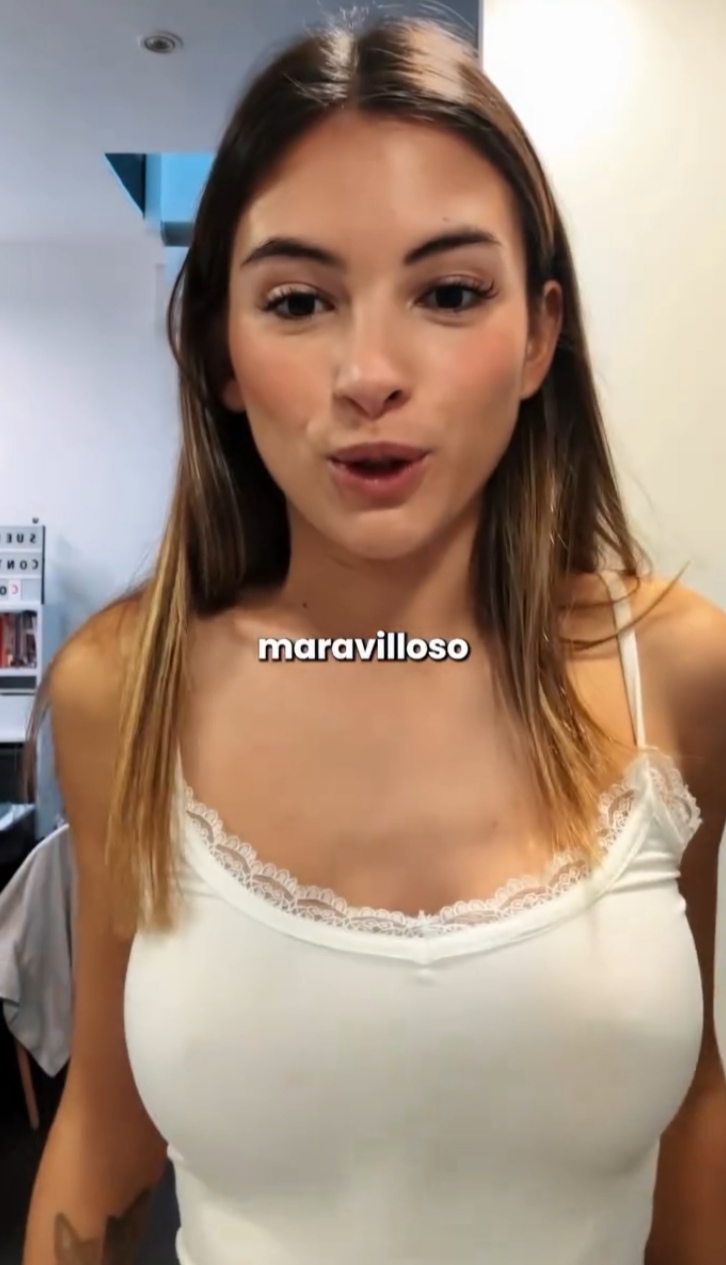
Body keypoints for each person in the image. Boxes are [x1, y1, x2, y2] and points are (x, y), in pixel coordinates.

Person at [22, 14, 726, 1265]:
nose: (370, 372)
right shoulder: (122, 687)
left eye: (449, 293)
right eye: (298, 301)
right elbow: (104, 1132)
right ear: (222, 351)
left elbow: (689, 1105)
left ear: (539, 336)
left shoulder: (676, 670)